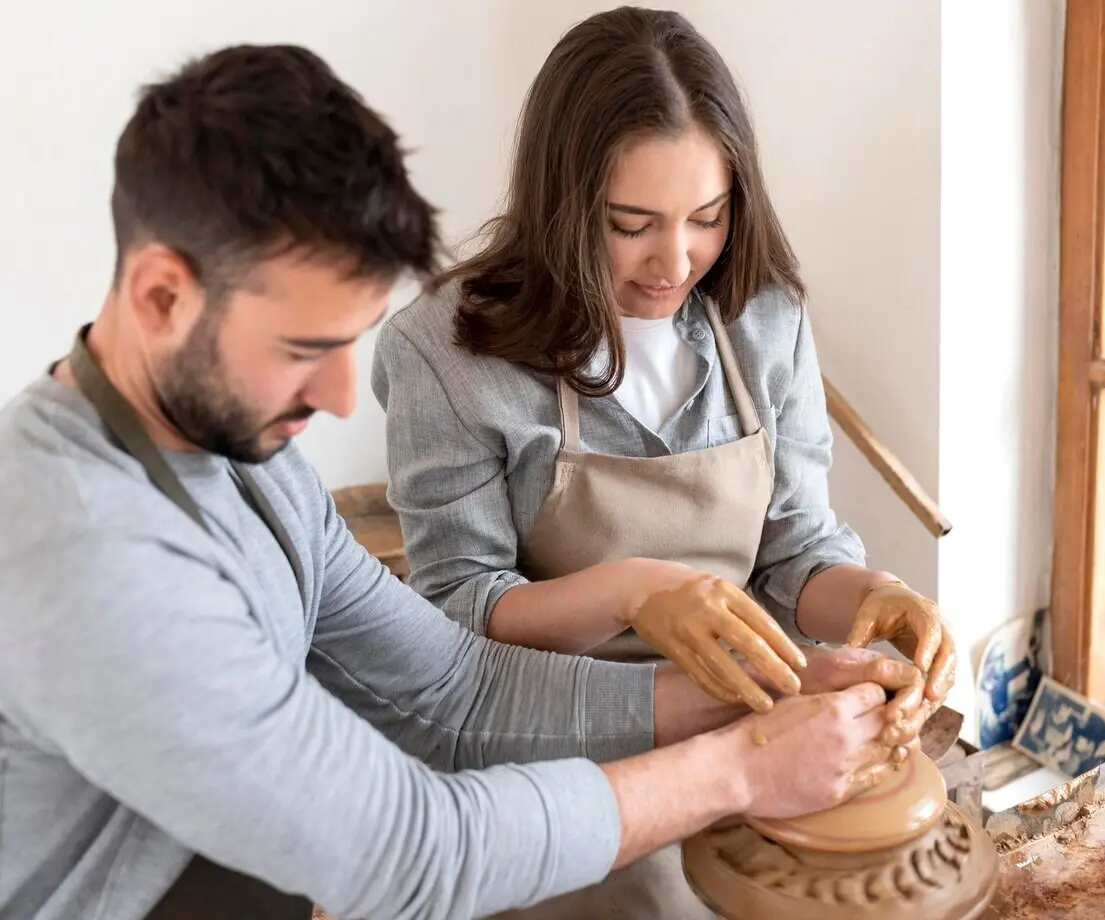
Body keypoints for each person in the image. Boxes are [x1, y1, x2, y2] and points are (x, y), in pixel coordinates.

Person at [0, 44, 927, 920]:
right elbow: (414, 850)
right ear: (162, 296)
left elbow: (456, 690)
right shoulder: (86, 553)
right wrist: (740, 768)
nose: (335, 397)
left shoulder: (243, 460)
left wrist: (773, 690)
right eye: (303, 351)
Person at [371, 7, 959, 917]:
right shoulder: (445, 355)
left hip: (752, 718)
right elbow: (461, 616)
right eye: (630, 224)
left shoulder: (762, 318)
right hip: (556, 751)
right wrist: (633, 590)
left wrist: (871, 595)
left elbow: (793, 546)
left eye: (707, 218)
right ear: (562, 205)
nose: (673, 263)